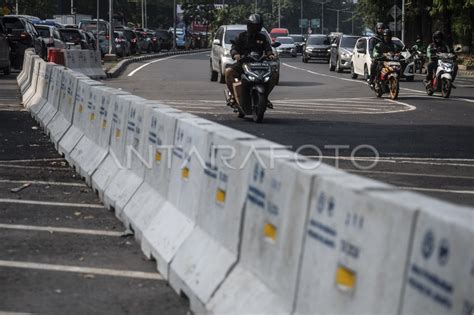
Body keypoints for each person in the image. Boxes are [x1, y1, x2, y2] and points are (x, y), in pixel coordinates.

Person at [225, 14, 277, 109]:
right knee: (228, 72)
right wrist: (235, 54)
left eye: (257, 25)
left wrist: (270, 54)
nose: (255, 28)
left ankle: (265, 97)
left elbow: (268, 48)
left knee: (274, 75)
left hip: (259, 64)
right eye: (253, 26)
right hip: (243, 63)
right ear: (249, 25)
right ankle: (233, 96)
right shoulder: (242, 36)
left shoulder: (262, 38)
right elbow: (234, 48)